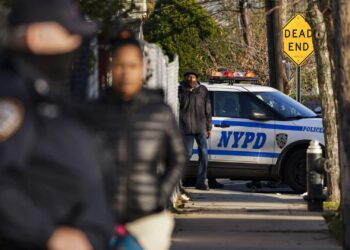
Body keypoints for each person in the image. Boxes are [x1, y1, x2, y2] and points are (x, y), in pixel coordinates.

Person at [0, 0, 113, 249]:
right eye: (69, 34)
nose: (75, 43)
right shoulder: (12, 97)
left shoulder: (45, 93)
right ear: (36, 36)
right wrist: (47, 234)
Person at [84, 30, 186, 250]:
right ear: (111, 67)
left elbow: (177, 158)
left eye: (132, 66)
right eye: (120, 65)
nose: (126, 73)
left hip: (146, 220)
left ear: (142, 68)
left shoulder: (159, 112)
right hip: (100, 220)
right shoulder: (93, 112)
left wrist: (160, 195)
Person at [179, 72, 224, 190]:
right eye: (188, 77)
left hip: (201, 127)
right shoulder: (179, 90)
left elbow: (208, 110)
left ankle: (201, 182)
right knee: (187, 153)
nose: (191, 79)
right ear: (184, 78)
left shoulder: (202, 90)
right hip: (185, 127)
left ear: (196, 78)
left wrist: (209, 127)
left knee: (203, 154)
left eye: (193, 77)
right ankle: (177, 180)